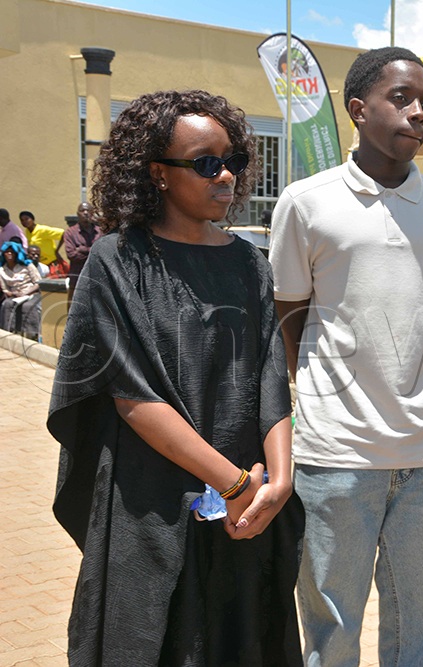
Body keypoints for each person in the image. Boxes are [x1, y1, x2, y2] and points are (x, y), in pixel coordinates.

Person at [47, 89, 305, 666]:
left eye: (233, 161)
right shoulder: (117, 261)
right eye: (206, 163)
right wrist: (234, 484)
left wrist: (279, 485)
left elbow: (270, 380)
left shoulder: (250, 264)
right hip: (152, 504)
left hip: (245, 512)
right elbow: (132, 395)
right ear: (158, 174)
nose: (226, 176)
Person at [268, 47, 423, 667]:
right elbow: (290, 319)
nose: (418, 113)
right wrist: (329, 392)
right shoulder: (305, 202)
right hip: (336, 454)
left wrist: (409, 383)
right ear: (358, 110)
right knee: (331, 631)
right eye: (402, 98)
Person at [0, 240, 41, 340]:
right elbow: (5, 289)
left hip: (31, 293)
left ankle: (32, 335)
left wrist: (25, 293)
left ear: (17, 253)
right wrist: (12, 293)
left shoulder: (28, 266)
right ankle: (8, 333)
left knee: (28, 306)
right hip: (14, 295)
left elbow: (38, 283)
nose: (9, 254)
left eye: (12, 252)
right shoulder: (2, 270)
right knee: (6, 305)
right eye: (7, 252)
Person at [63, 201, 101, 302]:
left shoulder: (100, 232)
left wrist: (82, 249)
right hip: (77, 276)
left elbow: (103, 253)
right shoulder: (70, 232)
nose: (85, 213)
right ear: (77, 214)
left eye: (88, 210)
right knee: (74, 305)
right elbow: (71, 254)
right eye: (82, 210)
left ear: (92, 213)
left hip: (97, 276)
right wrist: (93, 251)